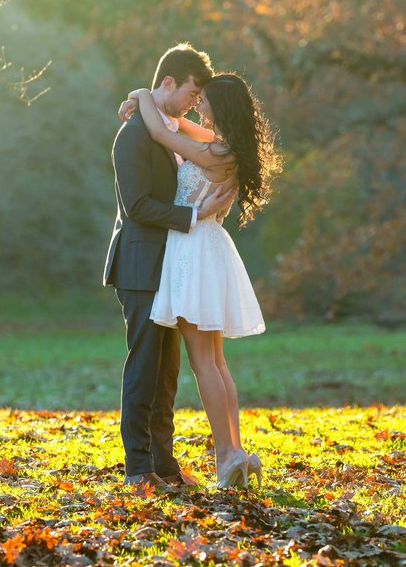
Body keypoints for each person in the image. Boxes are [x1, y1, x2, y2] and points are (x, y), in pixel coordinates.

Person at [121, 73, 280, 489]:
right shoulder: (225, 146)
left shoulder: (214, 151)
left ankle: (227, 456)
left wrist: (140, 94)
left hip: (191, 250)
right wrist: (159, 108)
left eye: (204, 101)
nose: (198, 108)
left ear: (221, 107)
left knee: (203, 362)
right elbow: (177, 125)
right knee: (216, 361)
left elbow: (160, 130)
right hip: (206, 246)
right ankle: (235, 451)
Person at [103, 44, 234, 491]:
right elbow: (137, 206)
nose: (195, 105)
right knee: (144, 366)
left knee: (168, 369)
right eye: (192, 94)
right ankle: (138, 469)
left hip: (172, 266)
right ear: (169, 83)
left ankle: (164, 463)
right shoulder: (134, 135)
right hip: (140, 264)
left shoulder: (168, 128)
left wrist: (141, 94)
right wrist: (194, 217)